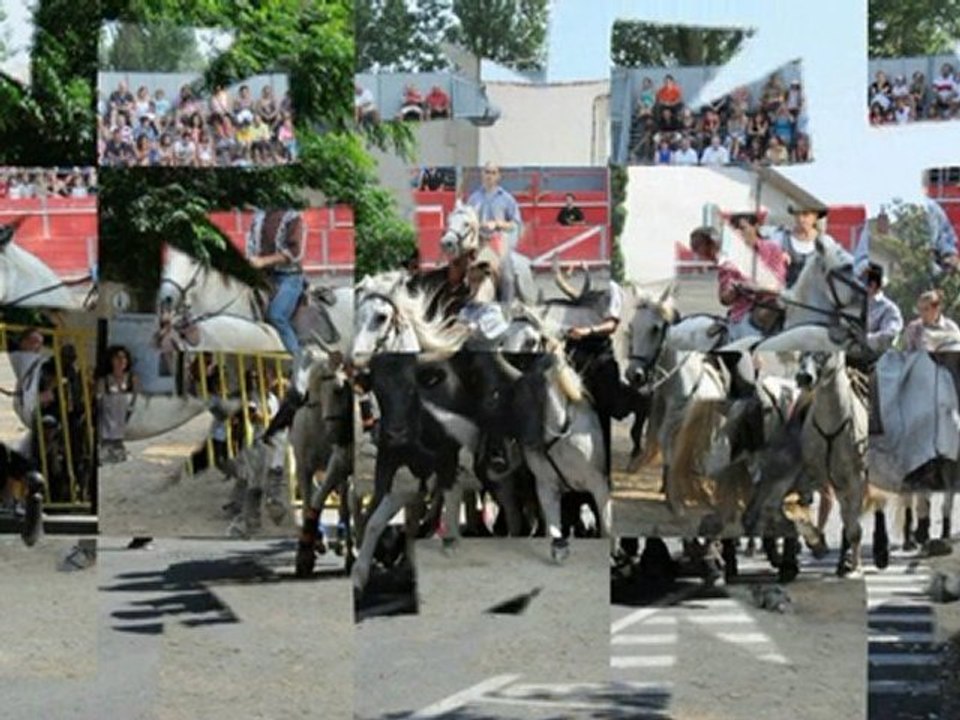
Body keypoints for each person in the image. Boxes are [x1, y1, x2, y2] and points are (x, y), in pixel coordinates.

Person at [562, 275, 637, 474]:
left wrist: (588, 331)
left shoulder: (612, 289)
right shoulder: (586, 289)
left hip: (597, 354)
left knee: (603, 407)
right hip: (571, 353)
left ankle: (601, 467)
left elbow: (612, 324)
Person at [467, 163, 524, 302]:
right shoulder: (473, 198)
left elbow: (515, 224)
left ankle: (507, 309)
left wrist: (498, 224)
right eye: (487, 172)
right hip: (478, 243)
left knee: (508, 277)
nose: (489, 176)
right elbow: (466, 221)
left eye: (493, 173)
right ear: (482, 174)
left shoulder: (507, 199)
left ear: (498, 176)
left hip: (498, 243)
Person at [774, 202, 834, 288]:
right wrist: (777, 258)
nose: (800, 219)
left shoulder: (826, 242)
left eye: (805, 214)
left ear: (815, 216)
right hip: (785, 295)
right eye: (797, 214)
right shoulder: (780, 238)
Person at [96, 345, 138, 464]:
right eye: (117, 358)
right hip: (107, 423)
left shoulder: (131, 379)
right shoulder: (104, 380)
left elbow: (134, 399)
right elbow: (100, 401)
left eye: (124, 358)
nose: (121, 361)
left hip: (121, 421)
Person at [863, 263, 903, 353]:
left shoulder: (890, 309)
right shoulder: (853, 301)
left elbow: (889, 335)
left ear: (872, 285)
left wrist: (863, 338)